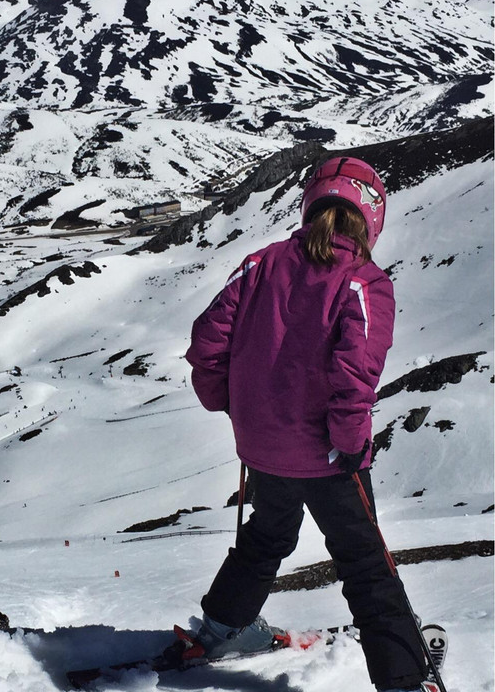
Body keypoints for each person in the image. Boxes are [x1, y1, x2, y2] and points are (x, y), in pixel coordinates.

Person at [184, 157, 429, 692]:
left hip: (263, 449)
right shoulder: (363, 282)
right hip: (328, 457)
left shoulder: (259, 265)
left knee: (266, 535)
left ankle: (222, 628)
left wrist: (236, 409)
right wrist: (348, 446)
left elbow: (207, 345)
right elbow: (355, 375)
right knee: (366, 565)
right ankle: (406, 680)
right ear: (370, 218)